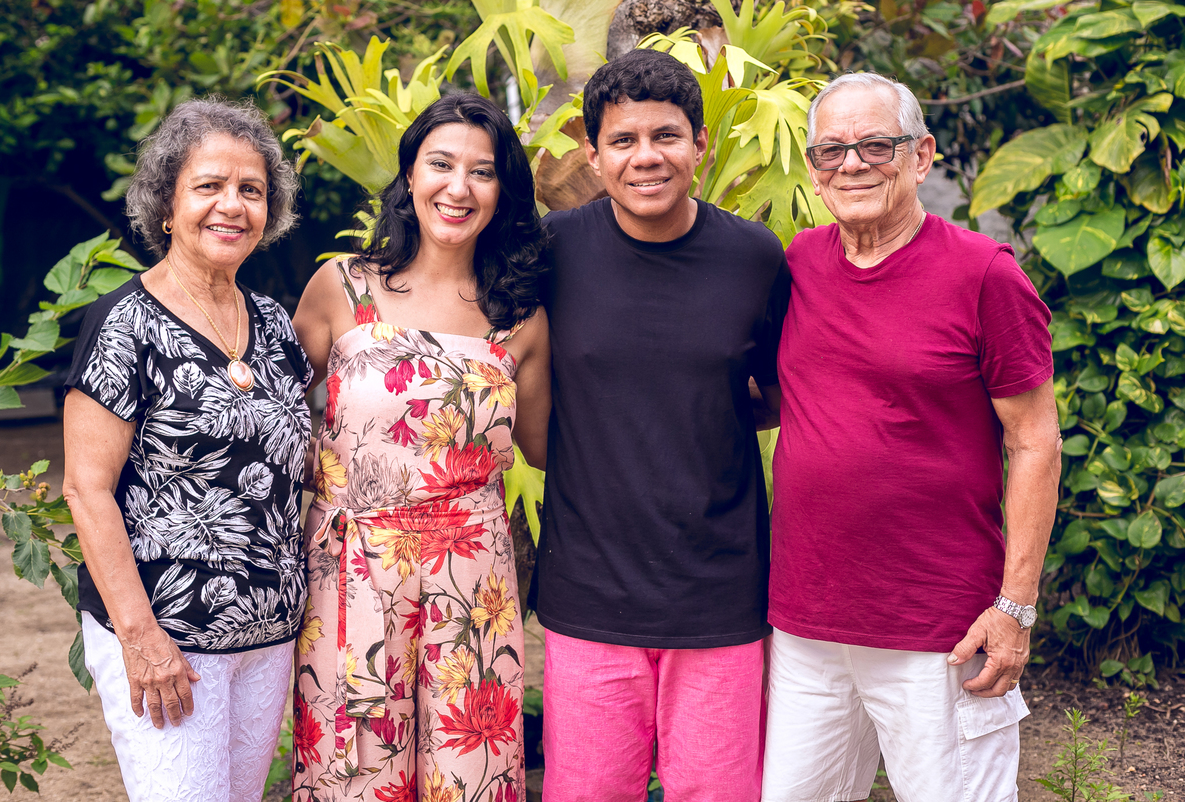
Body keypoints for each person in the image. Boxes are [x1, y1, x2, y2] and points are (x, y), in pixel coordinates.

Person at [761, 72, 1061, 802]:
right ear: (813, 169)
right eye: (832, 150)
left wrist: (1015, 608)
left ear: (921, 156)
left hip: (940, 626)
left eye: (875, 145)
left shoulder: (984, 274)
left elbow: (1035, 442)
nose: (852, 164)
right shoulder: (798, 263)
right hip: (808, 622)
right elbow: (763, 398)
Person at [531, 48, 790, 801]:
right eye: (623, 140)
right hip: (589, 591)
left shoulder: (753, 256)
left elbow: (776, 392)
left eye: (666, 136)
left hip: (719, 590)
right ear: (593, 152)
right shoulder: (555, 249)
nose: (646, 157)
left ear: (699, 144)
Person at [290, 92, 550, 802]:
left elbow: (553, 448)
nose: (458, 187)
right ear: (410, 175)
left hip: (472, 584)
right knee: (355, 770)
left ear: (503, 192)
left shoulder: (518, 317)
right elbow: (267, 415)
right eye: (441, 164)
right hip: (352, 572)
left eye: (483, 171)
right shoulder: (343, 287)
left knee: (469, 772)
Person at [61, 98, 311, 801]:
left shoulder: (272, 323)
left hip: (267, 636)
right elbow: (86, 487)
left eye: (251, 190)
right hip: (169, 641)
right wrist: (142, 639)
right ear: (167, 206)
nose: (231, 205)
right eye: (209, 186)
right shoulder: (124, 324)